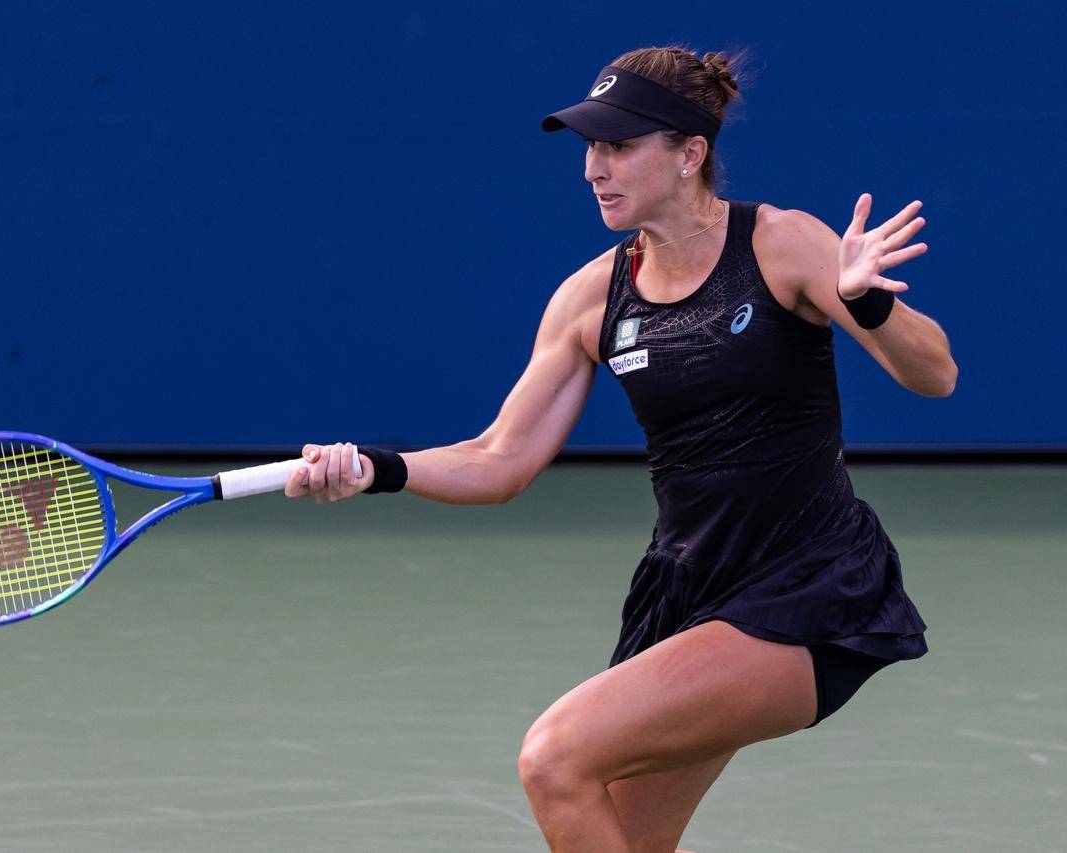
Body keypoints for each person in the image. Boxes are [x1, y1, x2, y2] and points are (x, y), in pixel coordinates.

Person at [283, 45, 957, 853]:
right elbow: (499, 457)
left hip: (807, 590)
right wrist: (375, 468)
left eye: (619, 145)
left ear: (690, 154)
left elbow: (936, 374)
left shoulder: (783, 245)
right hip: (687, 598)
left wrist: (868, 301)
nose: (593, 167)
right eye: (590, 146)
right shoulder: (589, 298)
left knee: (555, 758)